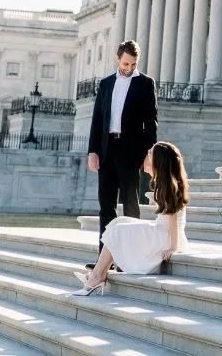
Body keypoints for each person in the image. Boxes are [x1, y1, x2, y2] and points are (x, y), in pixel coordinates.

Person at [73, 141, 188, 294]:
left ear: (159, 161)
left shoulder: (169, 186)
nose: (147, 156)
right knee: (118, 222)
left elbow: (173, 219)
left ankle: (96, 277)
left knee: (119, 230)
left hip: (164, 238)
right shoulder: (167, 181)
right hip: (161, 232)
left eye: (150, 154)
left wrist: (173, 247)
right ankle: (98, 274)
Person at [86, 39, 158, 244]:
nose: (129, 68)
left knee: (130, 205)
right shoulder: (106, 83)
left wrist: (149, 154)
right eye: (126, 64)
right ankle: (104, 259)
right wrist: (93, 151)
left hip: (131, 152)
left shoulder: (145, 83)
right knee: (106, 206)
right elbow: (97, 119)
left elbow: (150, 123)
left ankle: (129, 256)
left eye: (133, 64)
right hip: (107, 149)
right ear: (119, 59)